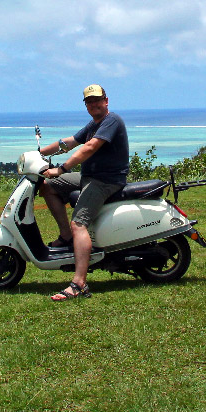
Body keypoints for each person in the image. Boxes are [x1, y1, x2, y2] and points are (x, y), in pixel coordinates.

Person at [36, 84, 130, 301]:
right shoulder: (94, 124)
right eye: (89, 101)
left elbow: (89, 148)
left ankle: (79, 284)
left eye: (97, 100)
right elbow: (69, 142)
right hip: (89, 177)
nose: (94, 104)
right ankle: (66, 237)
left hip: (105, 180)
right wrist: (37, 152)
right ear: (86, 105)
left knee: (79, 223)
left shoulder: (111, 121)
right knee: (48, 187)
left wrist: (62, 169)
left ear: (106, 101)